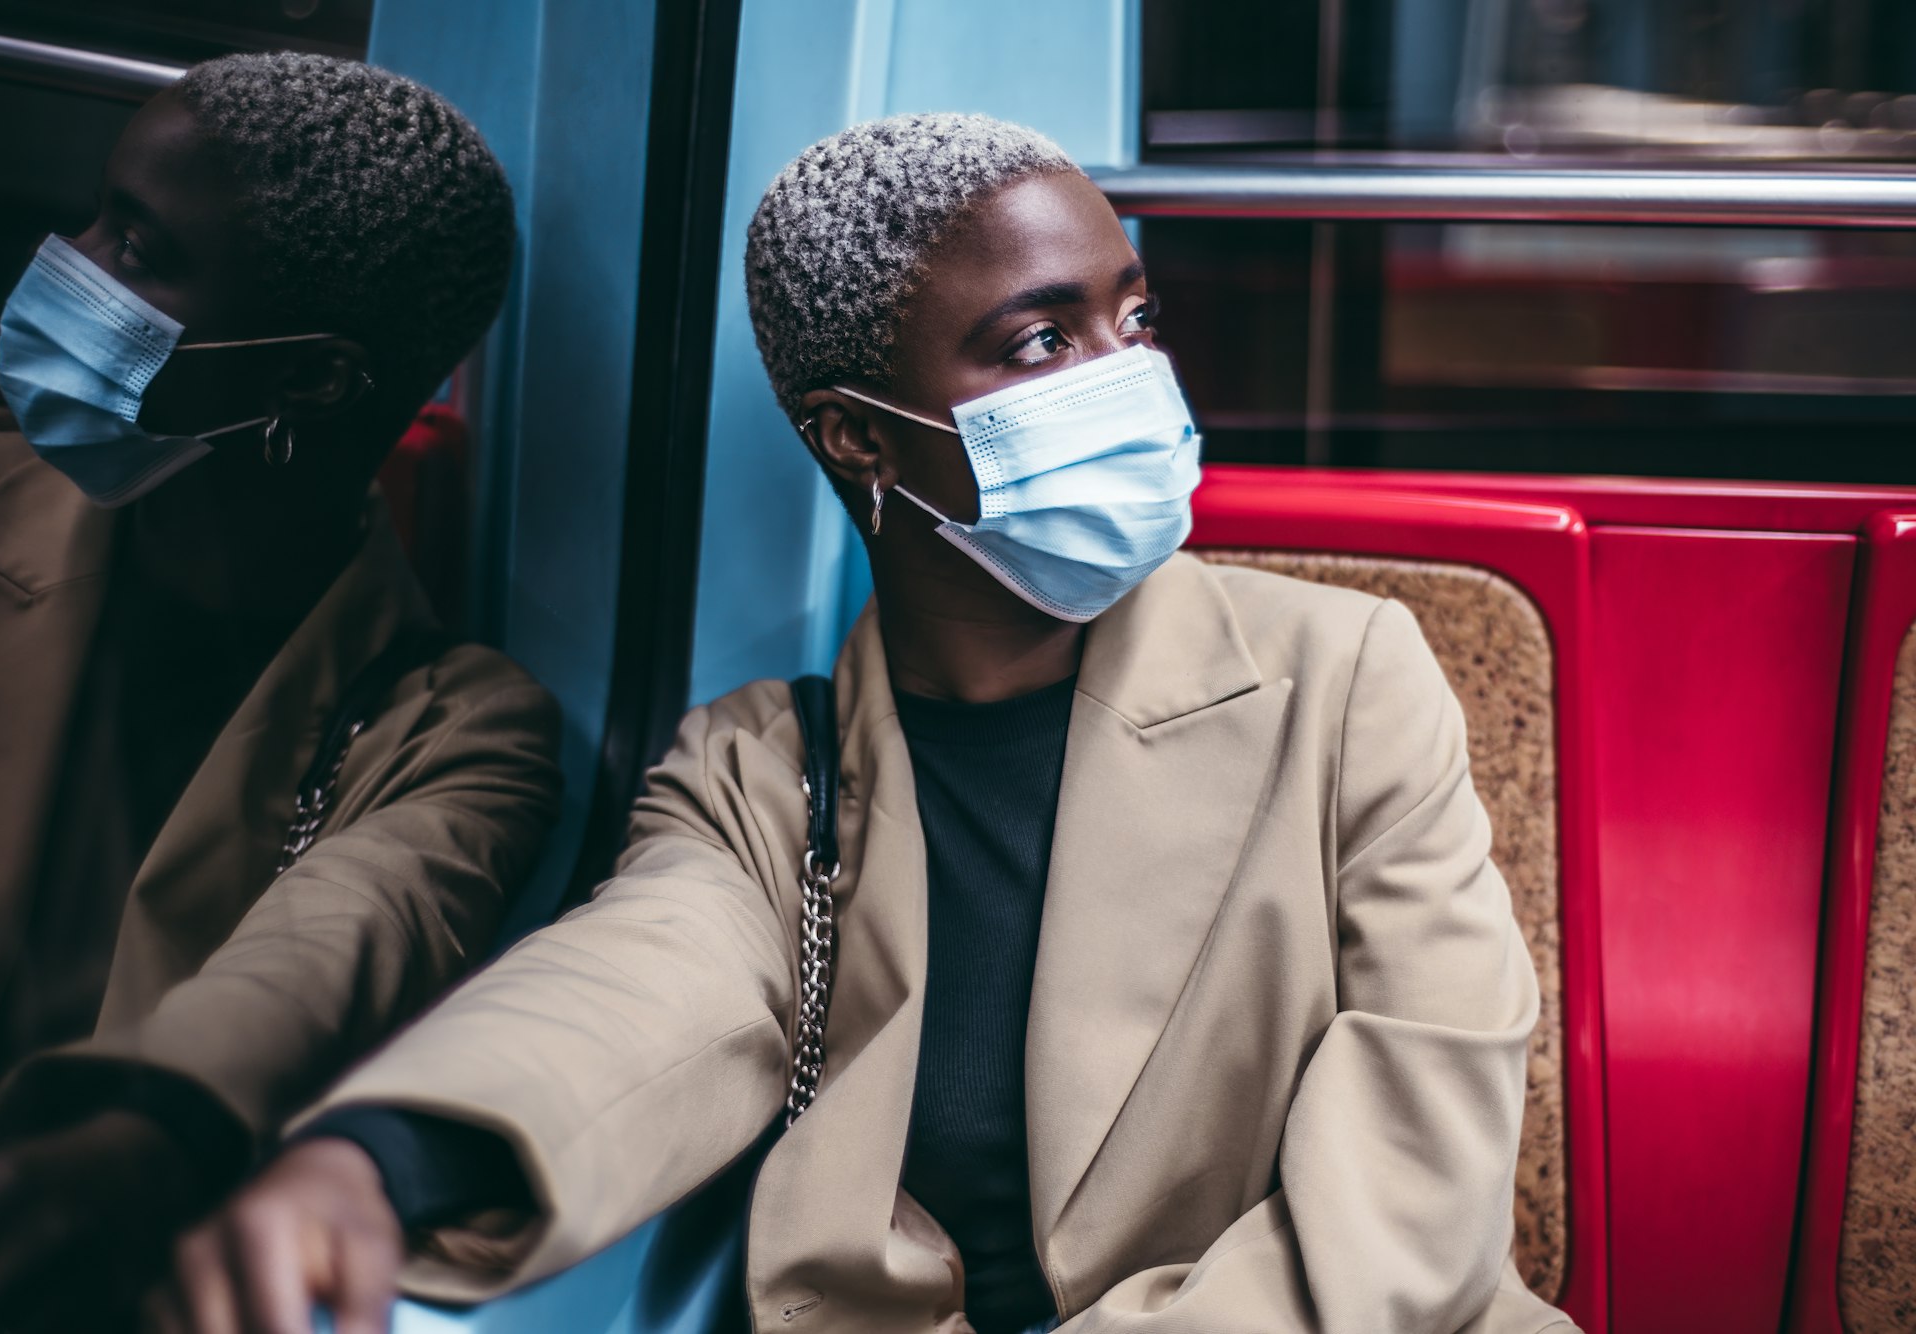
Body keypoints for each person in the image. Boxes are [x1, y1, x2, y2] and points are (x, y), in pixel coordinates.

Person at [161, 113, 1579, 1334]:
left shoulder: (1345, 679)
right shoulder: (764, 768)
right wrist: (371, 1157)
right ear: (860, 435)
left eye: (1131, 317)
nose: (1127, 374)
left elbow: (1414, 1165)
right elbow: (636, 991)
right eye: (1039, 339)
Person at [0, 52, 562, 1332]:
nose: (70, 261)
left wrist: (135, 1143)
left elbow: (334, 947)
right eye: (101, 212)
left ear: (311, 380)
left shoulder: (453, 727)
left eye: (139, 249)